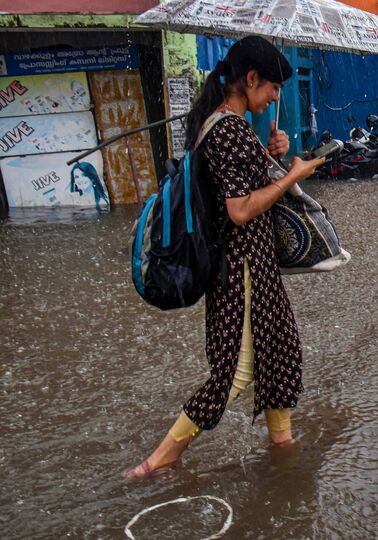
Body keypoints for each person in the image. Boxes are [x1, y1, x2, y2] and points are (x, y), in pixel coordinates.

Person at [124, 36, 327, 479]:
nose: (276, 97)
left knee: (281, 352)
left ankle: (282, 445)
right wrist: (293, 173)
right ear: (250, 79)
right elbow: (239, 210)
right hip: (243, 269)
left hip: (256, 266)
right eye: (272, 87)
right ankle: (157, 462)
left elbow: (239, 185)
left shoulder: (225, 125)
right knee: (233, 374)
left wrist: (271, 154)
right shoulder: (229, 129)